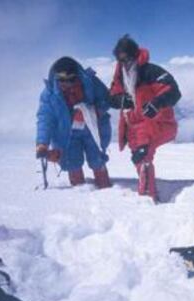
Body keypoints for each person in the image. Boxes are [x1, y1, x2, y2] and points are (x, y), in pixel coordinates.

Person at [109, 35, 181, 201]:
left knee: (143, 154)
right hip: (132, 125)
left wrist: (157, 103)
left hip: (157, 122)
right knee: (138, 158)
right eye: (120, 60)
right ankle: (147, 190)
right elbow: (111, 97)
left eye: (127, 59)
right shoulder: (120, 76)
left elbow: (174, 91)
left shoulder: (151, 72)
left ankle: (148, 198)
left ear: (135, 55)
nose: (125, 63)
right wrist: (120, 100)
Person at [36, 57, 112, 188]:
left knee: (97, 160)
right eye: (62, 80)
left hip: (92, 129)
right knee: (72, 162)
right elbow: (45, 118)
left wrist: (92, 112)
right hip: (67, 134)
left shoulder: (90, 81)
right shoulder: (49, 94)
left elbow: (106, 99)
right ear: (56, 77)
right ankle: (78, 195)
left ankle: (105, 188)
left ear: (76, 75)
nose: (67, 83)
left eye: (71, 79)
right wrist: (42, 143)